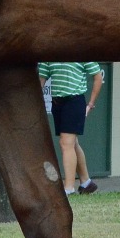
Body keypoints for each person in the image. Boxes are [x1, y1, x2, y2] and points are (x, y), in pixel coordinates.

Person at [36, 61, 104, 196]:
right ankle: (86, 182)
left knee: (65, 143)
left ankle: (68, 188)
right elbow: (41, 80)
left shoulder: (81, 50)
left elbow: (97, 76)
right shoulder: (49, 54)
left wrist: (90, 104)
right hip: (57, 102)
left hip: (74, 101)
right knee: (72, 143)